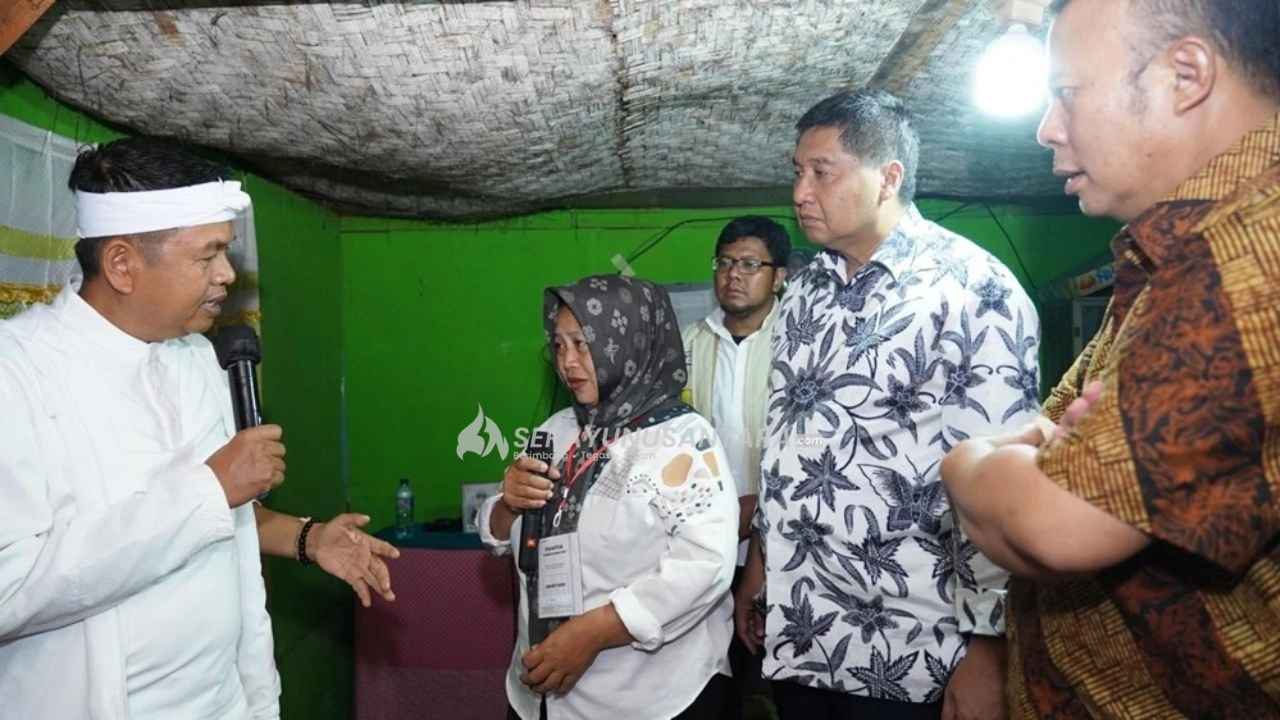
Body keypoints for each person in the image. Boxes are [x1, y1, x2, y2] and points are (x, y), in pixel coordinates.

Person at [940, 0, 1280, 717]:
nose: (1046, 128)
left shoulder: (1253, 248)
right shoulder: (1170, 260)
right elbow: (1051, 422)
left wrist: (964, 463)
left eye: (1066, 92)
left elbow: (1048, 524)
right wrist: (1040, 457)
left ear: (1185, 76)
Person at [736, 89, 1042, 719]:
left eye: (822, 172)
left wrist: (990, 648)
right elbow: (787, 448)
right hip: (803, 633)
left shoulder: (974, 290)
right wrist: (760, 568)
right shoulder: (803, 296)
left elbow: (1002, 489)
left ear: (888, 178)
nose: (799, 192)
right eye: (797, 172)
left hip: (914, 650)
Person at [0, 137, 281, 718]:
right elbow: (9, 589)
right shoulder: (18, 372)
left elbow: (236, 557)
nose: (227, 274)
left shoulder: (195, 355)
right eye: (207, 256)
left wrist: (259, 701)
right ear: (122, 265)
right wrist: (206, 492)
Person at [479, 274, 739, 719]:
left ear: (629, 344)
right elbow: (499, 534)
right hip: (537, 696)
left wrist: (595, 632)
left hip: (642, 697)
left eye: (583, 344)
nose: (568, 362)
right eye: (558, 345)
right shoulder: (553, 431)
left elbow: (705, 564)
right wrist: (507, 504)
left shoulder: (684, 440)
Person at [681, 215, 789, 714]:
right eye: (724, 262)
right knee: (714, 678)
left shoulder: (798, 344)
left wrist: (760, 508)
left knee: (781, 678)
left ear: (779, 276)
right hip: (705, 541)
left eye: (749, 264)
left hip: (783, 544)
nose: (733, 275)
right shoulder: (688, 344)